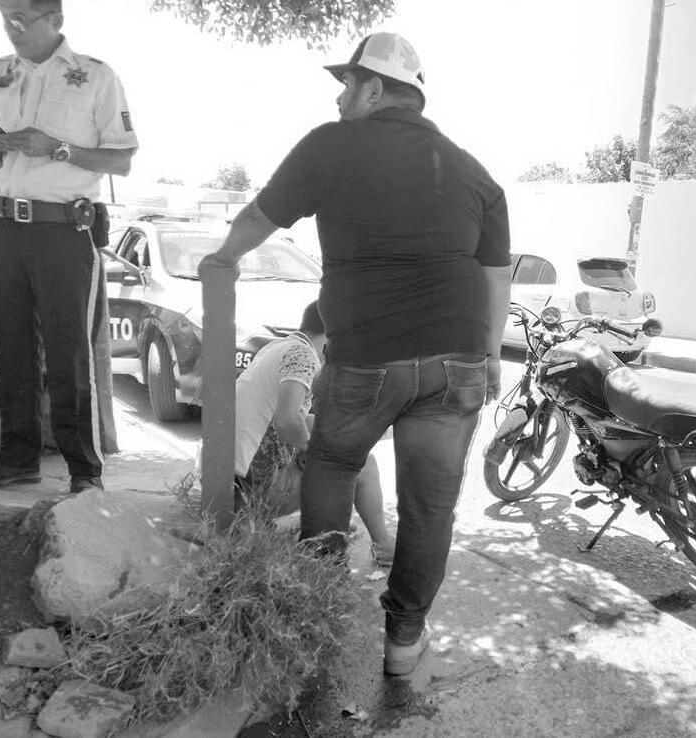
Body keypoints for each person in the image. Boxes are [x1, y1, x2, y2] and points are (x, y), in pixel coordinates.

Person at [199, 32, 511, 676]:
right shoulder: (475, 172)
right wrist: (489, 356)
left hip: (366, 356)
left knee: (334, 462)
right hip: (456, 363)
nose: (339, 99)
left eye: (346, 85)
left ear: (372, 88)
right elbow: (495, 277)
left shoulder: (330, 144)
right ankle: (404, 643)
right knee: (429, 505)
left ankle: (314, 610)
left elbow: (262, 215)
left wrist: (224, 257)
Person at [0, 0, 137, 494]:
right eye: (5, 17)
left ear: (55, 19)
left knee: (69, 351)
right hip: (2, 225)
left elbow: (122, 159)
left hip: (62, 230)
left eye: (21, 18)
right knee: (11, 346)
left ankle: (84, 471)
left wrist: (56, 147)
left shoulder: (96, 76)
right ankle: (18, 458)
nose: (12, 27)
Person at [233, 301, 395, 566]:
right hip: (251, 496)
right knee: (362, 464)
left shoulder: (276, 348)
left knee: (332, 441)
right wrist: (314, 451)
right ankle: (384, 546)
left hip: (228, 487)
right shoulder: (303, 357)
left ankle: (329, 523)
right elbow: (286, 420)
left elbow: (294, 418)